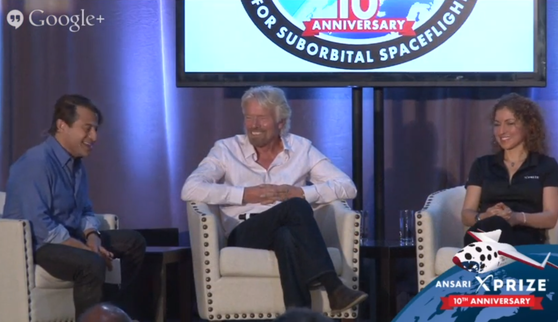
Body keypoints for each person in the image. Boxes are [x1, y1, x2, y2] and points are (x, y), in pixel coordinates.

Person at [181, 86, 368, 312]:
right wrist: (245, 193)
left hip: (292, 229)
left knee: (286, 235)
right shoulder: (226, 149)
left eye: (261, 119)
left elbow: (348, 187)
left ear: (281, 122)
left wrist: (300, 192)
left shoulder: (301, 149)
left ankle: (298, 313)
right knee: (295, 208)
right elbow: (190, 189)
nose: (253, 125)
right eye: (248, 118)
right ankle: (332, 285)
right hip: (245, 231)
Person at [3, 95, 146, 319]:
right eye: (87, 128)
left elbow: (85, 210)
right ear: (62, 125)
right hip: (38, 245)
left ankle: (109, 312)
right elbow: (40, 226)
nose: (94, 137)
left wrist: (92, 236)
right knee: (91, 262)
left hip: (69, 238)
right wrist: (85, 249)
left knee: (132, 242)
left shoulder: (76, 165)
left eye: (96, 129)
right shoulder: (35, 163)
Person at [461, 93, 558, 246]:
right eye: (497, 124)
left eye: (510, 123)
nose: (501, 131)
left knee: (498, 229)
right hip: (486, 230)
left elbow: (551, 216)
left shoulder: (546, 165)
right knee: (494, 225)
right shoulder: (482, 164)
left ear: (529, 126)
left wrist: (516, 217)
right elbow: (467, 213)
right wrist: (485, 216)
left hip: (524, 235)